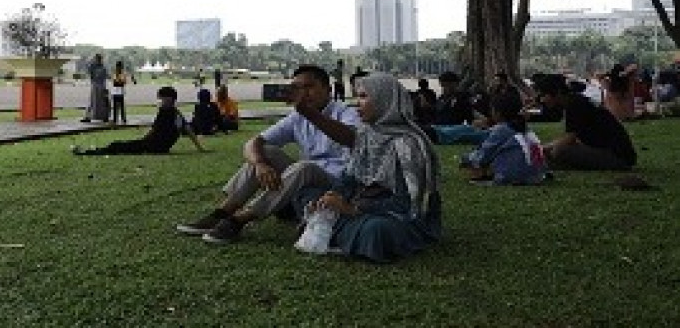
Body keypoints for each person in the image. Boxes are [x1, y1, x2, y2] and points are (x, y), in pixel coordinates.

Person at [174, 64, 360, 244]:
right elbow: (253, 143)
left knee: (304, 167)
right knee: (265, 152)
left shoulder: (345, 112)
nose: (303, 93)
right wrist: (260, 164)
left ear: (328, 89)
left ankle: (240, 220)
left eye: (309, 87)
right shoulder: (297, 117)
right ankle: (222, 213)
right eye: (297, 88)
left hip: (339, 179)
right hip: (307, 176)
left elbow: (349, 138)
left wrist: (309, 113)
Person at [296, 73, 442, 262]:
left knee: (377, 230)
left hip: (394, 216)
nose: (358, 104)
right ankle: (341, 234)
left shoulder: (406, 143)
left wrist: (351, 209)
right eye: (358, 97)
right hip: (360, 204)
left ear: (384, 99)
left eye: (364, 97)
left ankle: (340, 235)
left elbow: (405, 205)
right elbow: (349, 178)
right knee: (306, 195)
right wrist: (331, 197)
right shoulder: (366, 133)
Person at [536, 76, 637, 171]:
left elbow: (569, 139)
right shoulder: (576, 100)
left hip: (618, 158)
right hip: (618, 155)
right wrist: (545, 148)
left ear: (557, 92)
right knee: (557, 150)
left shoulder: (575, 104)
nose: (542, 100)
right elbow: (570, 138)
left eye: (544, 95)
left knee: (561, 151)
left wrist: (545, 153)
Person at [73, 86, 205, 155]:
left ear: (169, 99)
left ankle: (90, 151)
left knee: (118, 146)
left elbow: (154, 131)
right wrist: (199, 148)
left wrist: (144, 139)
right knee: (122, 146)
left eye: (162, 98)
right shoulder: (177, 114)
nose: (160, 101)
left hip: (154, 146)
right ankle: (94, 151)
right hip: (162, 147)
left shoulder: (165, 112)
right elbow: (188, 130)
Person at [460, 90, 548, 185]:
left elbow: (483, 155)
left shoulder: (502, 130)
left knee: (476, 163)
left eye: (492, 110)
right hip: (537, 174)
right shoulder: (526, 129)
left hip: (514, 175)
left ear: (498, 113)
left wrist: (466, 158)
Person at [83, 53, 111, 123]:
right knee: (93, 101)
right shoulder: (93, 66)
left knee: (102, 102)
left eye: (98, 59)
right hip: (96, 85)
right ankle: (88, 116)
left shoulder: (102, 67)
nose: (98, 60)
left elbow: (105, 77)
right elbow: (90, 73)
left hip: (100, 85)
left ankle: (104, 116)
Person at [110, 60, 131, 125]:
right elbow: (114, 82)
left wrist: (119, 81)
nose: (119, 68)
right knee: (116, 105)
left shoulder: (122, 73)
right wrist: (119, 81)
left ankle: (122, 118)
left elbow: (124, 82)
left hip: (120, 90)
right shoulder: (115, 73)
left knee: (121, 105)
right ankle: (116, 118)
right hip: (116, 90)